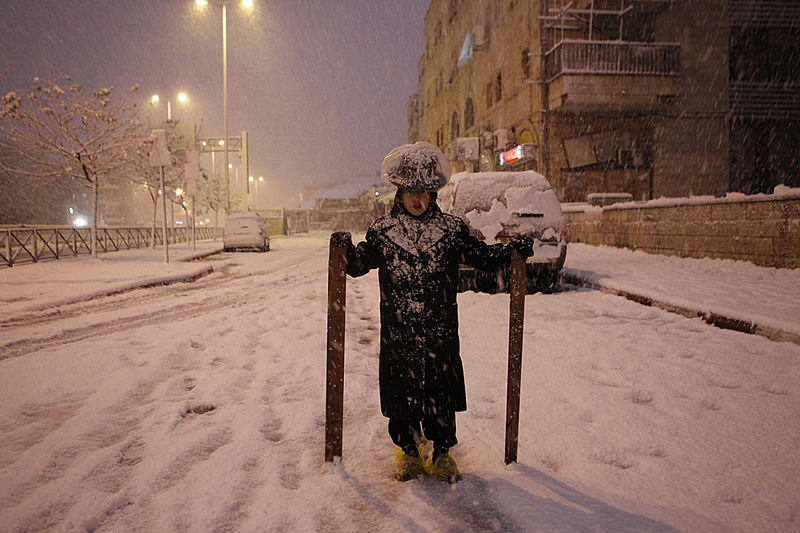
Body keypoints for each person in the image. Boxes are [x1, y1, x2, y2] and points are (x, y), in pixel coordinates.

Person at [330, 141, 533, 483]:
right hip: (400, 332)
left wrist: (511, 251)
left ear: (434, 193)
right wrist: (344, 250)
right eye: (411, 190)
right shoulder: (384, 232)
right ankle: (407, 450)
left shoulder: (450, 231)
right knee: (402, 393)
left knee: (440, 393)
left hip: (440, 331)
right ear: (400, 191)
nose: (417, 199)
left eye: (424, 191)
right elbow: (359, 263)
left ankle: (440, 452)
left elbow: (481, 257)